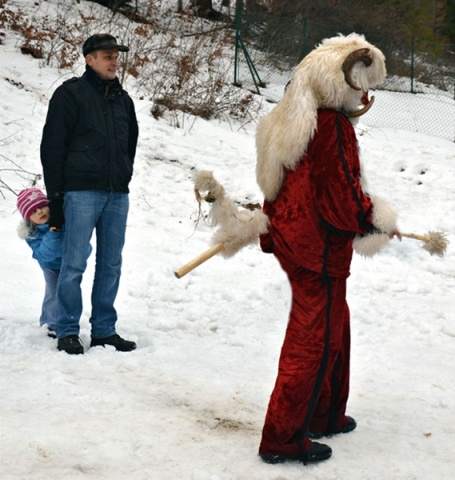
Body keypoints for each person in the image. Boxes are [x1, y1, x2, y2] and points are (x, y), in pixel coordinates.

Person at [254, 34, 401, 465]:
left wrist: (271, 232)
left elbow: (273, 188)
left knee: (337, 324)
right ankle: (282, 437)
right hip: (316, 252)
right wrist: (374, 217)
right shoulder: (330, 128)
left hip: (297, 245)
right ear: (339, 82)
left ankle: (324, 413)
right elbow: (341, 198)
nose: (365, 94)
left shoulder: (289, 120)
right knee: (311, 341)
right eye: (360, 84)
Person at [40, 33, 139, 355]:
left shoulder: (123, 99)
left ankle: (104, 330)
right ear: (89, 59)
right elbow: (52, 148)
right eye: (107, 55)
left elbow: (130, 145)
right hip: (80, 193)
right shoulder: (70, 94)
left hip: (116, 195)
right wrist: (56, 199)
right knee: (73, 264)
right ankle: (67, 329)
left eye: (116, 56)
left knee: (111, 264)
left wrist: (124, 174)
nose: (114, 61)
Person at [16, 188, 62, 338]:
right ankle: (50, 323)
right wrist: (52, 233)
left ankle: (68, 321)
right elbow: (44, 254)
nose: (40, 212)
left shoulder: (64, 220)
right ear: (29, 218)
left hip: (70, 263)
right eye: (33, 211)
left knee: (69, 292)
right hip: (50, 266)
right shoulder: (32, 234)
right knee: (53, 291)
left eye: (42, 206)